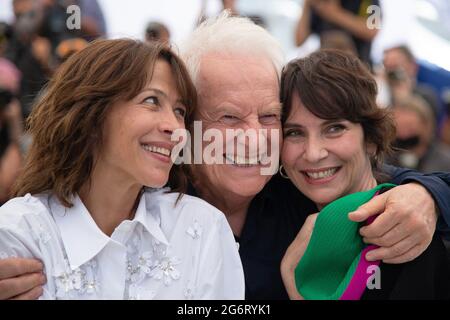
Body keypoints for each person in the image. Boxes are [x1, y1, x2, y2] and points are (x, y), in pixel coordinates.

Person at [2, 13, 450, 301]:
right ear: (188, 123)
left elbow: (380, 178)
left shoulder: (302, 188)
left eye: (270, 117)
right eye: (230, 117)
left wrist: (427, 196)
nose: (254, 139)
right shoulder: (146, 186)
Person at [0, 39, 244, 300]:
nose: (175, 127)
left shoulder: (202, 230)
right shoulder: (19, 232)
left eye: (179, 110)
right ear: (92, 114)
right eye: (151, 100)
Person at [279, 50, 450, 299]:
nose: (313, 153)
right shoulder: (272, 208)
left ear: (370, 138)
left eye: (334, 128)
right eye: (294, 132)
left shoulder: (413, 234)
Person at [295, 0, 379, 65]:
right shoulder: (319, 3)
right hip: (326, 70)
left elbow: (373, 30)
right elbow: (298, 40)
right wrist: (307, 5)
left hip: (360, 68)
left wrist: (334, 13)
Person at [390, 95, 450, 173]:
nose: (403, 134)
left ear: (426, 126)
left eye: (409, 127)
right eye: (398, 127)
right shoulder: (384, 159)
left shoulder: (445, 161)